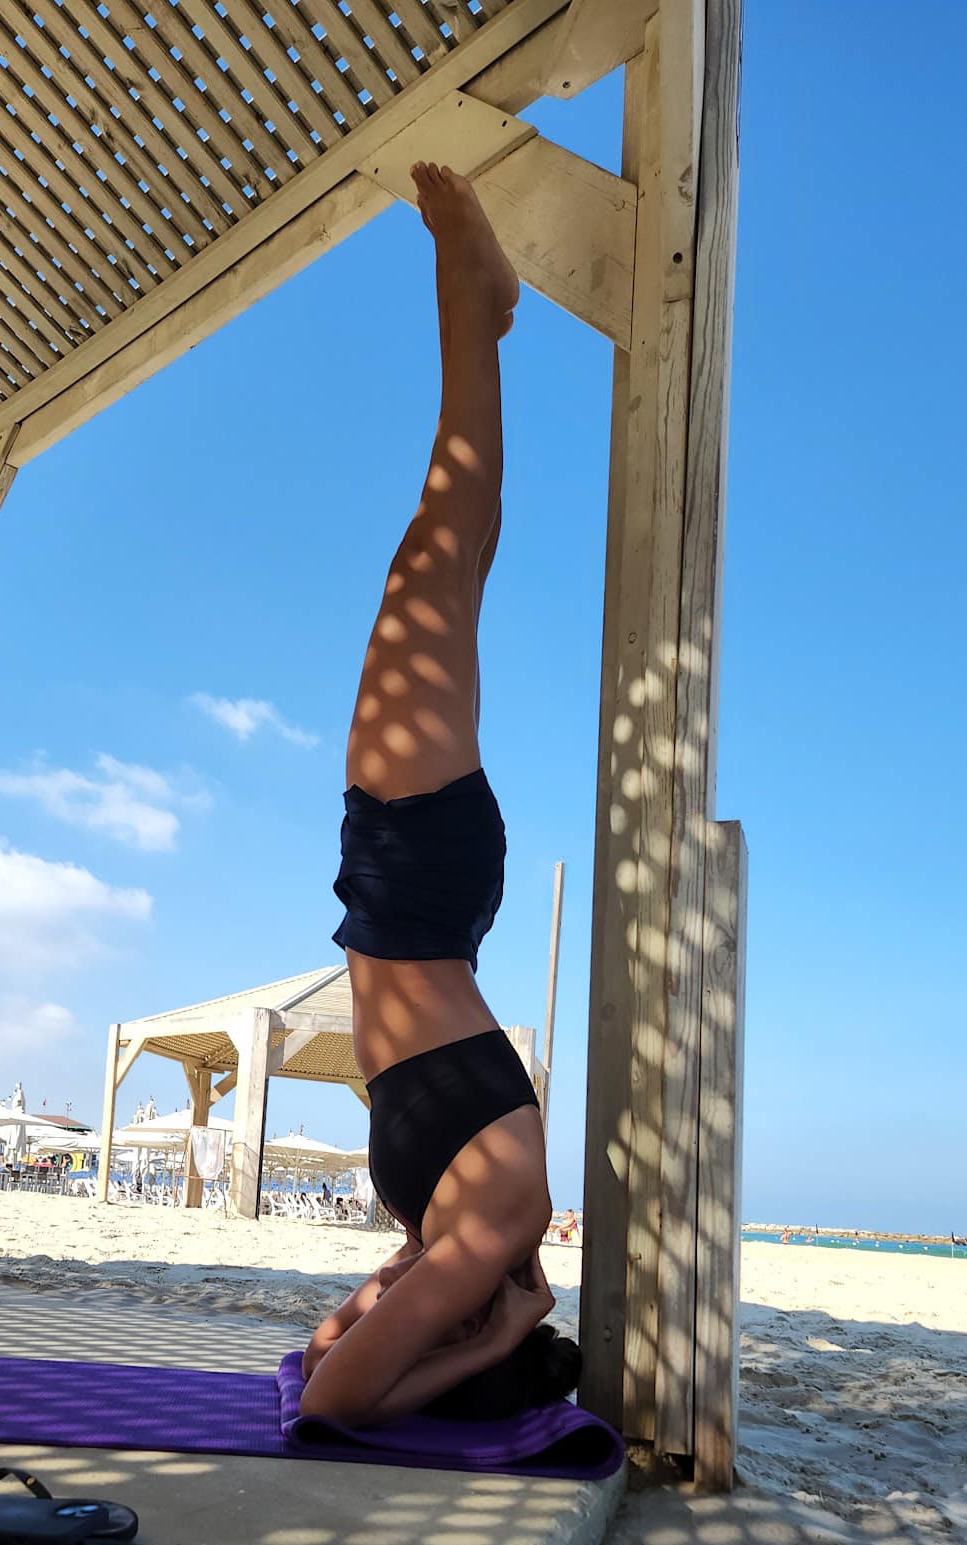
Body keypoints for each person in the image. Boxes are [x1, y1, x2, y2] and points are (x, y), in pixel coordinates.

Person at [301, 165, 579, 1427]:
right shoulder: (495, 1220)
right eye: (451, 1320)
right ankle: (472, 291)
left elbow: (324, 1362)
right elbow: (336, 1404)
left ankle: (478, 302)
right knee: (439, 537)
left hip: (415, 899)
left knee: (455, 551)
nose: (409, 1298)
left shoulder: (455, 1237)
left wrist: (469, 1324)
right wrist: (501, 1334)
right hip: (420, 878)